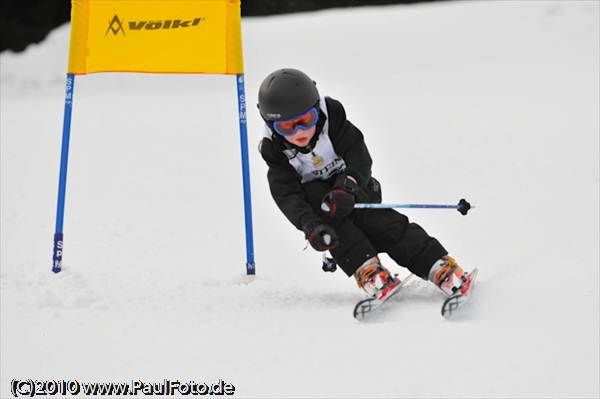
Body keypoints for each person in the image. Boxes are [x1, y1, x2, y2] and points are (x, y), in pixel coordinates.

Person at [257, 68, 471, 300]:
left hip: (354, 188)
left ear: (317, 110)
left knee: (386, 226)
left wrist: (348, 185)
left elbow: (358, 153)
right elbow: (287, 194)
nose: (299, 132)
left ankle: (439, 267)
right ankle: (369, 272)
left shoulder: (332, 118)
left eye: (306, 120)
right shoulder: (274, 149)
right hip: (321, 206)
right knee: (335, 228)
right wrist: (310, 226)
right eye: (287, 127)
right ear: (272, 125)